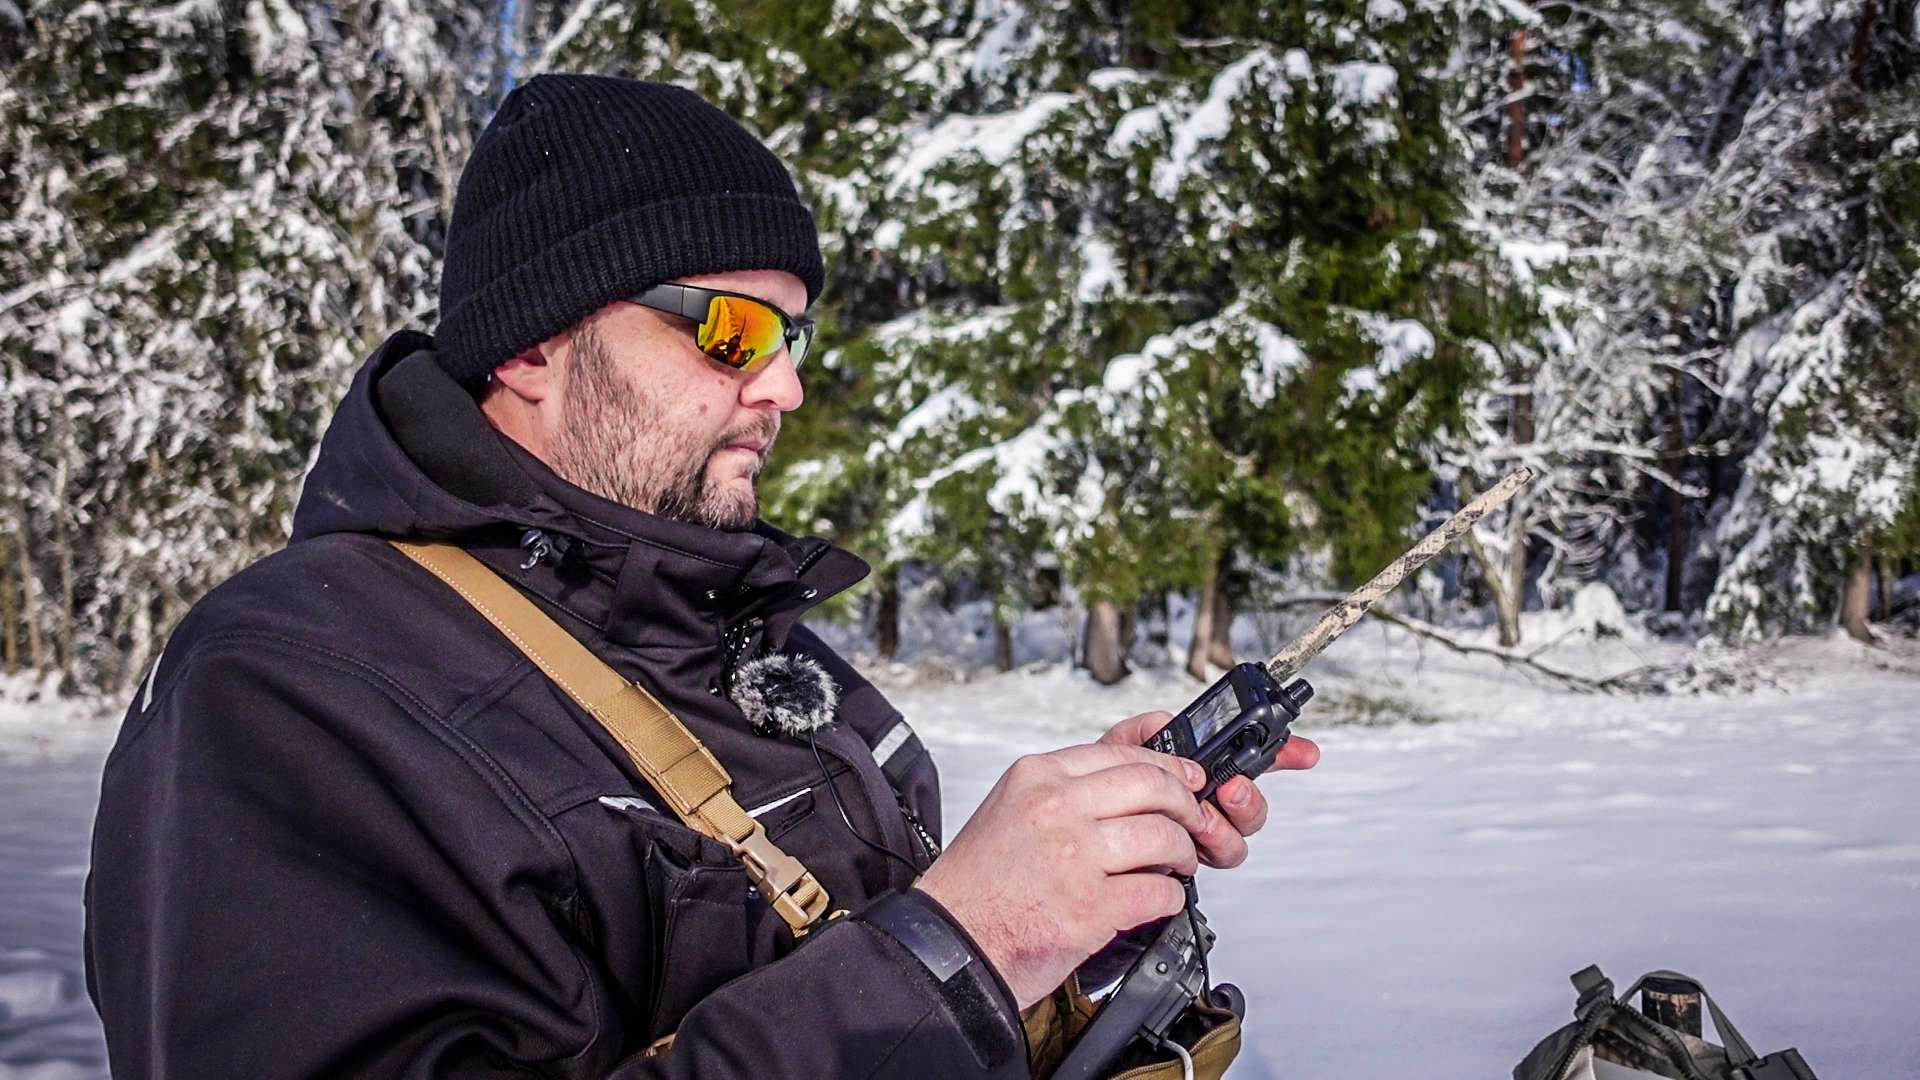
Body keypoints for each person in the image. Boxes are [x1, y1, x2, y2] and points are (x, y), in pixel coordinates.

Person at [83, 74, 1319, 1078]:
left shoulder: (727, 626)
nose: (785, 386)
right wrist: (965, 942)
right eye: (732, 329)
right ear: (533, 343)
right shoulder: (289, 691)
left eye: (793, 337)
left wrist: (1060, 912)